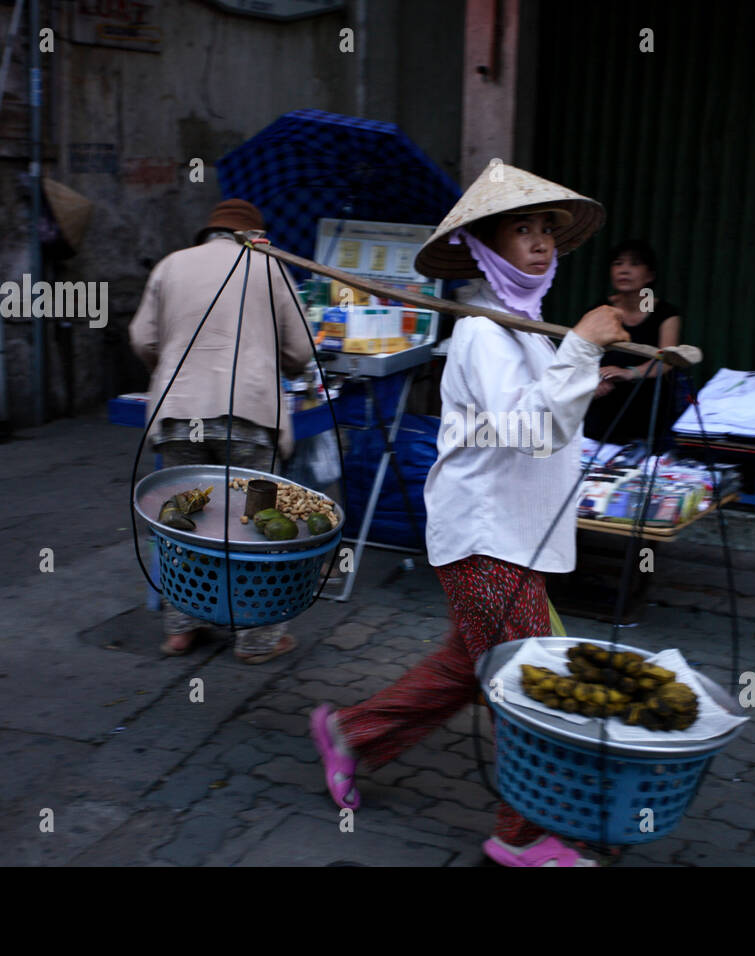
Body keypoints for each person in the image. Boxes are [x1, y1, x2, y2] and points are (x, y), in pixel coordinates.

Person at [310, 166, 628, 867]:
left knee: (472, 665)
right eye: (522, 230)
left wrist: (581, 370)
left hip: (514, 535)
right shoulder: (485, 332)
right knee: (525, 685)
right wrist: (583, 345)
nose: (541, 244)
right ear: (486, 248)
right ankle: (521, 836)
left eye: (547, 230)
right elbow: (527, 426)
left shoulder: (524, 331)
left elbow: (544, 413)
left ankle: (351, 733)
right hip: (487, 538)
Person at [129, 199, 313, 662]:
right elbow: (300, 348)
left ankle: (180, 629)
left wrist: (174, 365)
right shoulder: (267, 267)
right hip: (246, 414)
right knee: (257, 525)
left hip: (179, 414)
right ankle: (256, 639)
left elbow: (142, 338)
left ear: (209, 232)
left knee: (183, 523)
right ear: (253, 235)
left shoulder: (171, 266)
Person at [583, 239, 683, 447]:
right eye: (618, 263)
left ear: (650, 276)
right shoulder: (600, 310)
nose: (624, 270)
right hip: (603, 409)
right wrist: (593, 380)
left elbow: (666, 361)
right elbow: (582, 355)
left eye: (634, 264)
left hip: (646, 413)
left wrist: (629, 373)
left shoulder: (663, 313)